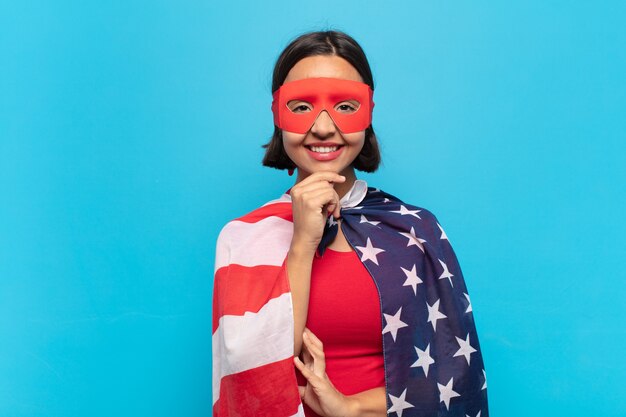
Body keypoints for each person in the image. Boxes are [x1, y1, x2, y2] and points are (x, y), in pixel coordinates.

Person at [212, 30, 489, 417]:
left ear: (369, 113)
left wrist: (352, 408)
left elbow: (447, 376)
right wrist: (303, 245)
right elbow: (252, 371)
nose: (324, 127)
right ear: (277, 114)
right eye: (302, 106)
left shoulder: (413, 232)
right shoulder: (245, 238)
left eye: (345, 106)